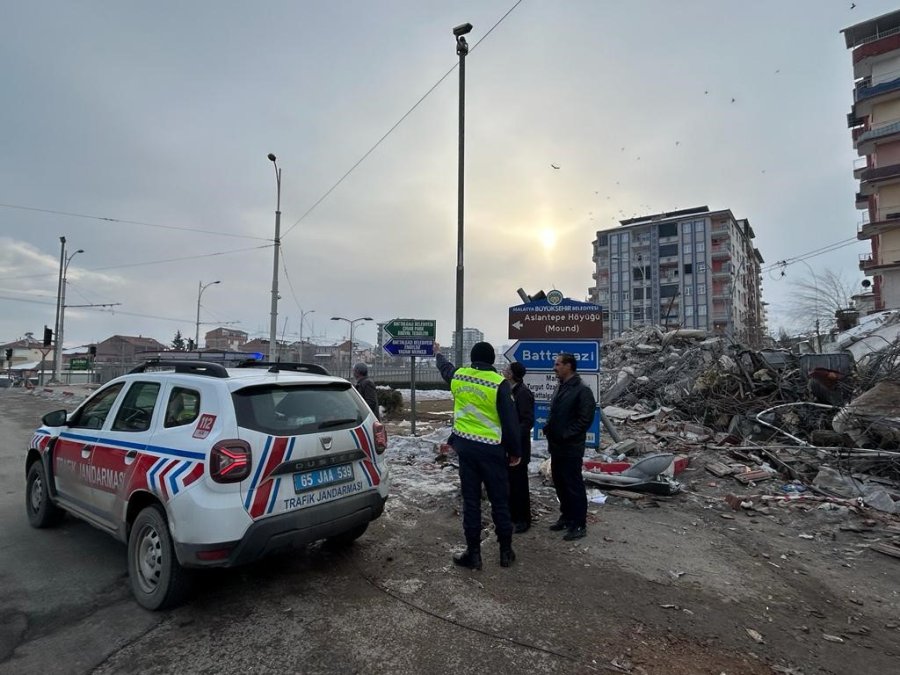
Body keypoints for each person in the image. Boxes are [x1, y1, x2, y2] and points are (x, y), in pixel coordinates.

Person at [436, 341, 522, 569]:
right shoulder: (499, 384)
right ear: (492, 360)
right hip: (492, 451)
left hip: (466, 450)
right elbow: (510, 422)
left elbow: (446, 369)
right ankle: (505, 552)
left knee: (471, 503)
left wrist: (437, 354)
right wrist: (515, 451)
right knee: (500, 502)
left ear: (473, 358)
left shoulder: (460, 376)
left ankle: (473, 554)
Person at [542, 352, 596, 541]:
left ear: (569, 366)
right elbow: (555, 411)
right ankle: (566, 517)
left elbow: (585, 419)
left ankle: (579, 524)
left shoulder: (582, 390)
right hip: (556, 446)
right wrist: (549, 426)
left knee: (573, 485)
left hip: (571, 447)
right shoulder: (561, 387)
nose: (554, 368)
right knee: (560, 483)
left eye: (557, 364)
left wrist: (566, 434)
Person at [503, 361, 534, 534]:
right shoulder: (509, 391)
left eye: (507, 370)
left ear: (512, 374)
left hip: (519, 448)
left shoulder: (523, 393)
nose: (504, 371)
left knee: (520, 485)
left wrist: (513, 435)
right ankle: (513, 516)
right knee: (511, 484)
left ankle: (523, 520)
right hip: (509, 446)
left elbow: (527, 421)